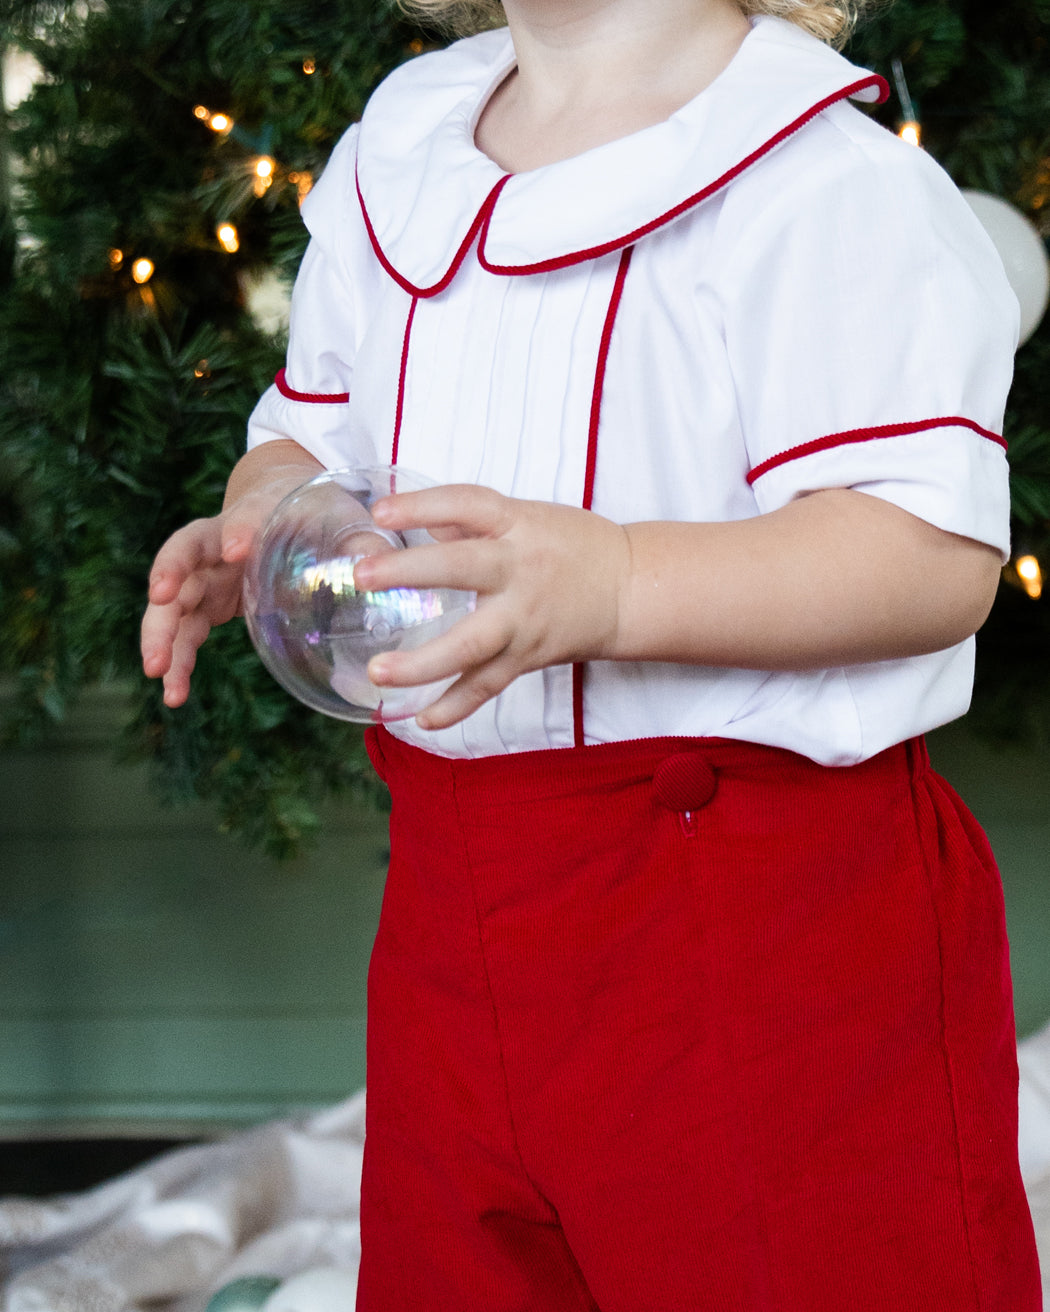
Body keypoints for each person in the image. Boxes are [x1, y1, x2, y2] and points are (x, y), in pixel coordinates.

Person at [141, 0, 1043, 1306]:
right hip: (461, 899)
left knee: (803, 1263)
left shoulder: (822, 181)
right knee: (463, 1260)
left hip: (760, 918)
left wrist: (616, 583)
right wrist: (269, 519)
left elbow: (927, 554)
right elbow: (312, 430)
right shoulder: (403, 149)